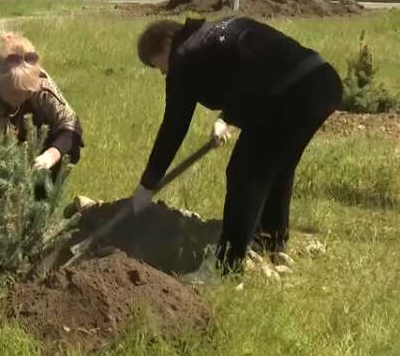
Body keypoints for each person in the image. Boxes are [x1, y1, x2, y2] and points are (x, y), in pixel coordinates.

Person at [132, 17, 343, 273]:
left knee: (244, 173)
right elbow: (250, 69)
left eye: (158, 66)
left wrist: (147, 184)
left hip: (294, 91)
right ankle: (271, 243)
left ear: (167, 44)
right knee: (276, 167)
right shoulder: (210, 35)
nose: (164, 73)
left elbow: (174, 127)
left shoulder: (185, 56)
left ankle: (226, 268)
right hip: (322, 81)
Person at [0, 32, 83, 193]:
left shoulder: (41, 84)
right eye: (15, 92)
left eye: (27, 92)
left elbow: (70, 125)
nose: (22, 97)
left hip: (39, 151)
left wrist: (51, 156)